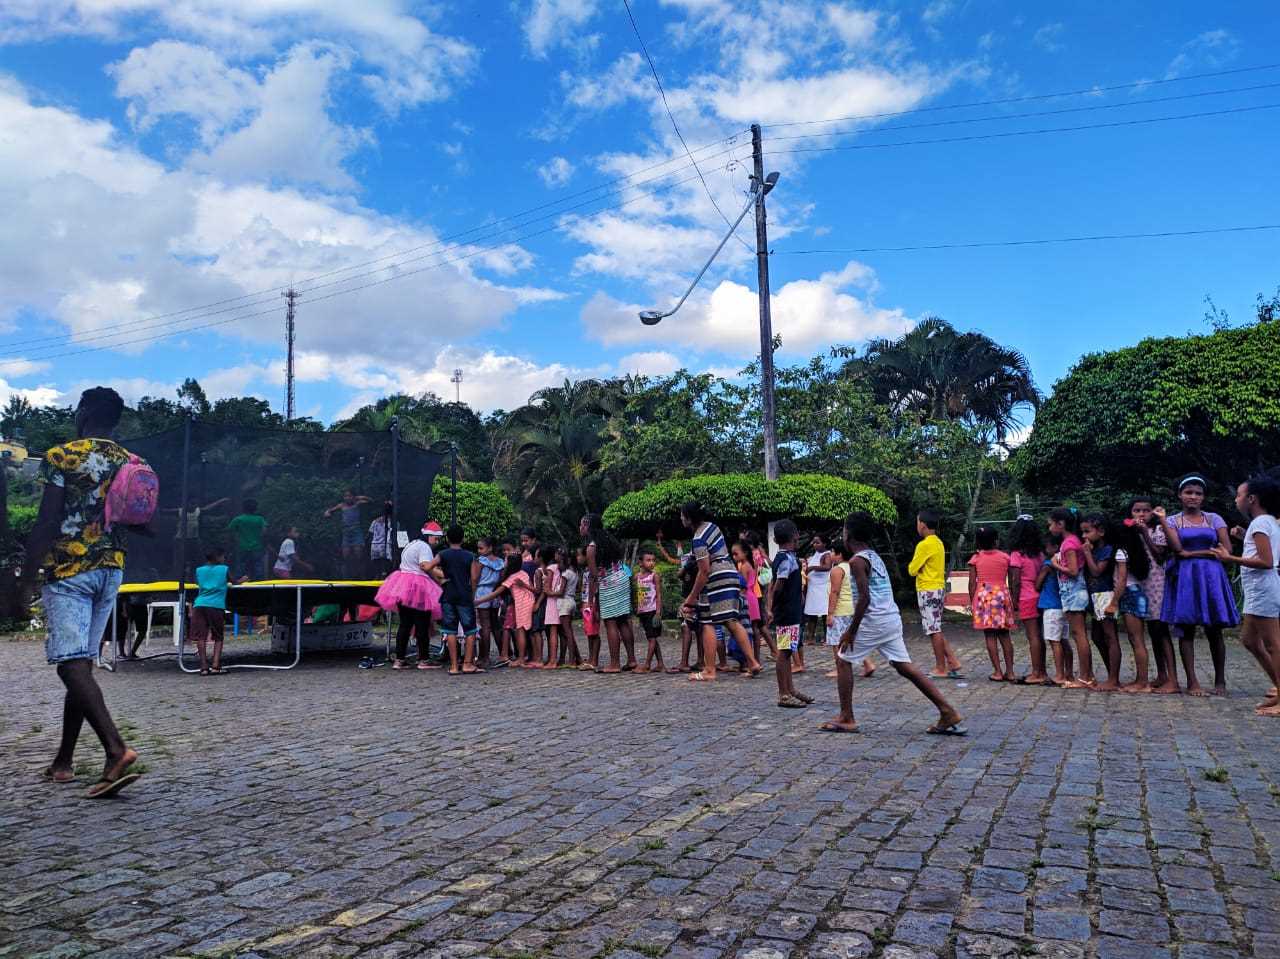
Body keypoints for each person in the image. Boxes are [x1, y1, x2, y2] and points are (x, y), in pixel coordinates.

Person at [17, 387, 142, 797]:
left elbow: (46, 521)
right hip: (111, 569)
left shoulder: (62, 457)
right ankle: (63, 762)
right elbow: (144, 522)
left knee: (70, 665)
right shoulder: (131, 462)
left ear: (83, 413)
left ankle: (116, 750)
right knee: (81, 664)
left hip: (70, 570)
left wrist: (27, 578)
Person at [821, 511, 965, 736]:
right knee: (904, 666)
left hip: (875, 620)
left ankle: (847, 717)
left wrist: (851, 631)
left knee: (842, 659)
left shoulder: (858, 561)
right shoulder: (873, 556)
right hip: (890, 619)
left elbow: (865, 598)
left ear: (849, 535)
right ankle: (947, 711)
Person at [1159, 474, 1240, 696]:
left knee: (1215, 630)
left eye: (1198, 493)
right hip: (1185, 576)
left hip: (1211, 576)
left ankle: (1220, 681)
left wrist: (1194, 553)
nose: (1193, 497)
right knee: (1186, 628)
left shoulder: (1214, 519)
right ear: (1180, 495)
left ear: (1203, 497)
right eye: (1188, 492)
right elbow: (1177, 549)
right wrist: (1205, 552)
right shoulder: (1172, 521)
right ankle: (1192, 682)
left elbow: (1227, 550)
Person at [1212, 475, 1280, 714]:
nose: (1236, 499)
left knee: (1273, 644)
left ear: (1252, 499)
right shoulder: (1266, 522)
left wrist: (1229, 558)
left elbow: (1266, 562)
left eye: (1239, 495)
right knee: (1250, 640)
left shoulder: (1261, 524)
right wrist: (1244, 538)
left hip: (1263, 590)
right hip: (1257, 591)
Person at [681, 502, 764, 684]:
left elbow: (704, 571)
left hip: (716, 579)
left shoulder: (698, 538)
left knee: (707, 622)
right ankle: (752, 662)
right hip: (730, 574)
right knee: (731, 621)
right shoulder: (712, 527)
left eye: (682, 515)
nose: (681, 519)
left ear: (688, 518)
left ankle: (709, 670)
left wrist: (691, 598)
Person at [375, 522, 444, 670]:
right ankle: (424, 659)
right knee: (422, 624)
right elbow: (425, 566)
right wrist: (443, 575)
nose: (437, 542)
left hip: (403, 585)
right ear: (428, 536)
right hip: (418, 586)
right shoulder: (424, 547)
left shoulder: (412, 544)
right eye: (435, 538)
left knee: (405, 624)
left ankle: (399, 659)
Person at [1130, 497, 1177, 694]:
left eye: (1146, 510)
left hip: (1156, 585)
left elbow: (1159, 555)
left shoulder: (1158, 531)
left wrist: (1144, 533)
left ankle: (1173, 678)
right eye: (1137, 510)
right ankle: (1161, 674)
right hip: (1140, 584)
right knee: (1153, 632)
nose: (1141, 514)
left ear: (1153, 512)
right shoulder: (1130, 532)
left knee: (1161, 630)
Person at [909, 509, 962, 679]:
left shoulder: (924, 545)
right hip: (938, 588)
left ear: (922, 525)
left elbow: (912, 569)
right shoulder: (938, 542)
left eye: (917, 522)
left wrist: (918, 568)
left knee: (933, 630)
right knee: (935, 627)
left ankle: (941, 667)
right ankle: (952, 661)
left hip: (927, 589)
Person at [581, 513, 637, 673]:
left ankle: (614, 663)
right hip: (622, 579)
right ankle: (631, 659)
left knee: (610, 622)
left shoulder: (591, 547)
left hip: (609, 584)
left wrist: (591, 601)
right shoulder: (609, 540)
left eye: (583, 524)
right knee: (623, 621)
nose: (581, 528)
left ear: (588, 526)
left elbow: (593, 576)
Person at [765, 519, 810, 706]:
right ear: (795, 536)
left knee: (788, 650)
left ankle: (790, 690)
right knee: (784, 653)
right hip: (787, 612)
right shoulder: (786, 560)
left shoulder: (785, 557)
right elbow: (778, 586)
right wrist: (773, 607)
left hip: (789, 611)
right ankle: (784, 693)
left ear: (775, 540)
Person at [1049, 507, 1095, 688]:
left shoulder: (1069, 543)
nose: (1050, 528)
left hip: (1074, 591)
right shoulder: (1072, 541)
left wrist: (1055, 565)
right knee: (1078, 633)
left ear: (1060, 524)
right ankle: (1088, 675)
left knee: (1079, 634)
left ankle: (1084, 677)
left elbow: (1074, 571)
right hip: (1072, 591)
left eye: (1051, 524)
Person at [1108, 518, 1154, 692]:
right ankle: (1140, 679)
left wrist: (1114, 602)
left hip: (1129, 594)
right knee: (1137, 639)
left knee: (1137, 640)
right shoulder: (1135, 551)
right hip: (1136, 593)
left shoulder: (1121, 552)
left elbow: (1122, 580)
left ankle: (1143, 682)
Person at [967, 526, 1016, 682]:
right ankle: (1010, 672)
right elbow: (1012, 581)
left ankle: (997, 672)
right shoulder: (1005, 557)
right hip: (1001, 595)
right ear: (996, 540)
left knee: (989, 635)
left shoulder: (975, 559)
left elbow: (972, 584)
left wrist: (972, 602)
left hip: (984, 598)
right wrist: (1013, 600)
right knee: (1005, 634)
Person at [1081, 513, 1122, 691]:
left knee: (1110, 636)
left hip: (1104, 595)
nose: (1084, 536)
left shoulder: (1107, 550)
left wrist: (1087, 553)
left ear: (1101, 532)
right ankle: (1111, 673)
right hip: (1094, 596)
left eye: (1087, 531)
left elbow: (1097, 571)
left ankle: (1114, 679)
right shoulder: (1094, 549)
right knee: (1097, 636)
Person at [1008, 516, 1048, 685]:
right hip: (1040, 596)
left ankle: (1036, 672)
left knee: (1032, 637)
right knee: (1039, 635)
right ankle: (1042, 670)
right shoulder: (1040, 554)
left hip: (1025, 597)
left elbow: (1015, 580)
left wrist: (1014, 601)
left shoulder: (1017, 555)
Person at [475, 555, 535, 666]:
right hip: (530, 601)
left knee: (520, 630)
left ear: (510, 564)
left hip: (522, 604)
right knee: (525, 630)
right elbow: (533, 589)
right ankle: (526, 656)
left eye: (506, 561)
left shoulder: (511, 578)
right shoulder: (523, 573)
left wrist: (479, 601)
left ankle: (521, 658)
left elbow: (496, 593)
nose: (504, 563)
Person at [826, 540, 874, 679]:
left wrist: (830, 613)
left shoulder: (837, 570)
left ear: (839, 554)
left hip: (840, 610)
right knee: (853, 637)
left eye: (832, 551)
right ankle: (868, 664)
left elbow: (835, 591)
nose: (830, 554)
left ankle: (840, 668)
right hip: (853, 608)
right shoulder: (853, 567)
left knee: (837, 641)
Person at [437, 525, 481, 675]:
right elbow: (474, 578)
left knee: (450, 630)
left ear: (447, 539)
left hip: (448, 595)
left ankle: (454, 666)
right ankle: (467, 664)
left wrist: (440, 579)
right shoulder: (470, 556)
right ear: (463, 539)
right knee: (470, 630)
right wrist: (472, 593)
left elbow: (427, 566)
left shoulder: (443, 554)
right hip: (464, 596)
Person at [192, 547, 236, 675]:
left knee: (201, 637)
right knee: (218, 636)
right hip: (215, 605)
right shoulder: (224, 569)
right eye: (223, 556)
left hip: (199, 605)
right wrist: (242, 580)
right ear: (217, 557)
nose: (224, 558)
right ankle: (216, 666)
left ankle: (204, 667)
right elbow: (234, 582)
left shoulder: (199, 570)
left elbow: (198, 583)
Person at [1037, 534, 1073, 686]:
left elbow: (1038, 584)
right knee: (1064, 641)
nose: (1044, 550)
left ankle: (1059, 674)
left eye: (1047, 547)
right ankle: (1069, 673)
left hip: (1051, 606)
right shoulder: (1063, 563)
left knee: (1054, 641)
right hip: (1063, 605)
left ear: (1055, 547)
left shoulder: (1048, 564)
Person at [165, 497, 228, 578]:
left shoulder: (197, 511)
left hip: (193, 539)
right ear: (187, 504)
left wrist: (221, 501)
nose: (194, 506)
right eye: (192, 504)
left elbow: (208, 508)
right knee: (181, 561)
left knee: (196, 559)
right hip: (181, 540)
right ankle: (179, 576)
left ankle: (193, 576)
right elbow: (166, 511)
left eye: (195, 504)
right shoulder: (180, 511)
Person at [799, 533, 833, 673]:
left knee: (824, 613)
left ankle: (827, 637)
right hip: (813, 587)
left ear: (824, 543)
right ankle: (810, 637)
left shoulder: (827, 554)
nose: (814, 545)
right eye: (814, 542)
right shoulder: (814, 555)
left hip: (822, 587)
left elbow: (827, 567)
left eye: (817, 542)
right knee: (812, 614)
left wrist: (813, 568)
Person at [474, 537, 507, 668]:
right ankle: (503, 654)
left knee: (485, 626)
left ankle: (485, 657)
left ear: (490, 548)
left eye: (481, 548)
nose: (479, 551)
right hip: (495, 593)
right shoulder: (500, 562)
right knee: (495, 625)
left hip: (482, 592)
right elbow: (502, 578)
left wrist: (472, 594)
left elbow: (475, 579)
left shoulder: (481, 561)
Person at [324, 489, 371, 579]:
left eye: (349, 496)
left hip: (356, 531)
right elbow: (330, 510)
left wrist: (359, 497)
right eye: (345, 496)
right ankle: (347, 576)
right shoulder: (341, 505)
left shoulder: (357, 503)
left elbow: (370, 501)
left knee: (358, 554)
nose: (347, 498)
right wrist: (327, 512)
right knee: (345, 555)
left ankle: (361, 576)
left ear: (353, 497)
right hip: (346, 532)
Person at [634, 549, 668, 673]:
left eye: (653, 560)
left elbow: (658, 595)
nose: (651, 563)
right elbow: (636, 594)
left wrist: (658, 612)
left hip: (652, 611)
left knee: (652, 638)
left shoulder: (654, 576)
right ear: (640, 562)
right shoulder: (637, 577)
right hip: (642, 611)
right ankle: (660, 664)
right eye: (648, 560)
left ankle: (647, 665)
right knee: (651, 637)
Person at [536, 544, 564, 669]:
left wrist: (546, 588)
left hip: (552, 601)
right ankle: (558, 658)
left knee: (552, 631)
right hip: (560, 600)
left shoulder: (551, 568)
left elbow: (547, 587)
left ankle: (552, 660)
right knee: (560, 632)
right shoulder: (562, 567)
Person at [557, 546, 583, 668]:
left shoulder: (566, 574)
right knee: (569, 632)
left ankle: (572, 660)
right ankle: (577, 658)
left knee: (568, 633)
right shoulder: (575, 573)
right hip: (571, 601)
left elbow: (561, 592)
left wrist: (549, 592)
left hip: (564, 602)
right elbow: (578, 588)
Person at [368, 501, 394, 579]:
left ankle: (381, 576)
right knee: (381, 564)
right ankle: (379, 576)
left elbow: (370, 534)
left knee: (381, 564)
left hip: (378, 545)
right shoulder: (392, 522)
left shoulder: (391, 522)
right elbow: (370, 534)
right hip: (381, 546)